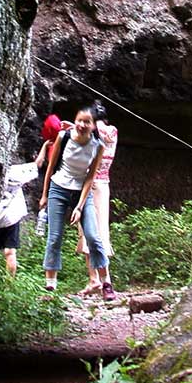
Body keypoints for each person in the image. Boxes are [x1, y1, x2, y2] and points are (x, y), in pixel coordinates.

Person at [39, 106, 115, 301]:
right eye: (79, 120)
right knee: (55, 236)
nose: (82, 124)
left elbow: (90, 176)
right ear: (75, 119)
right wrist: (45, 194)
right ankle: (50, 285)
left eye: (86, 122)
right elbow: (51, 167)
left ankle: (106, 283)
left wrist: (80, 206)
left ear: (93, 125)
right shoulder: (64, 137)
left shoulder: (98, 145)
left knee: (93, 236)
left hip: (82, 191)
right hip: (59, 187)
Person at [75, 100, 118, 295]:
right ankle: (96, 280)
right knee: (96, 231)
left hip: (91, 186)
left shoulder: (96, 133)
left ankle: (102, 280)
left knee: (91, 233)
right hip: (102, 185)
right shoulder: (112, 132)